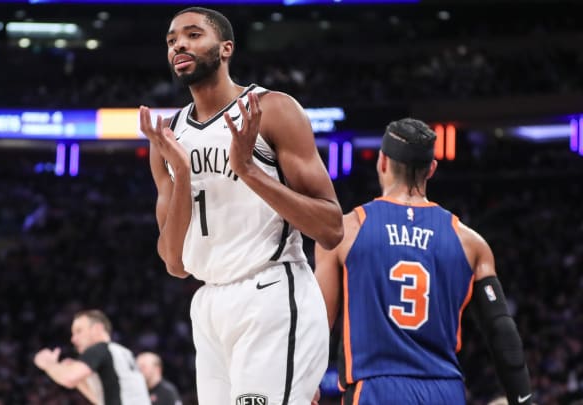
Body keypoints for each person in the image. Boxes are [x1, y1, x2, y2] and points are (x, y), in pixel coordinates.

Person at [139, 6, 343, 405]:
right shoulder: (169, 137)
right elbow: (174, 263)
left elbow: (331, 227)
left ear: (226, 48)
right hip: (210, 304)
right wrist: (181, 172)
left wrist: (249, 170)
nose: (179, 43)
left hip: (271, 291)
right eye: (171, 40)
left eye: (194, 35)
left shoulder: (273, 110)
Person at [314, 118, 533, 404]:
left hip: (376, 388)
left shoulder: (345, 232)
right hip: (445, 390)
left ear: (382, 162)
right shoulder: (470, 242)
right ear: (431, 169)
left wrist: (305, 383)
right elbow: (502, 332)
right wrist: (523, 399)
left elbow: (316, 324)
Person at [33, 310, 151, 405]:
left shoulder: (99, 348)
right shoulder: (124, 352)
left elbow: (68, 378)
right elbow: (100, 400)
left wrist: (47, 364)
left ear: (97, 329)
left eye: (79, 331)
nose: (73, 339)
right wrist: (80, 380)